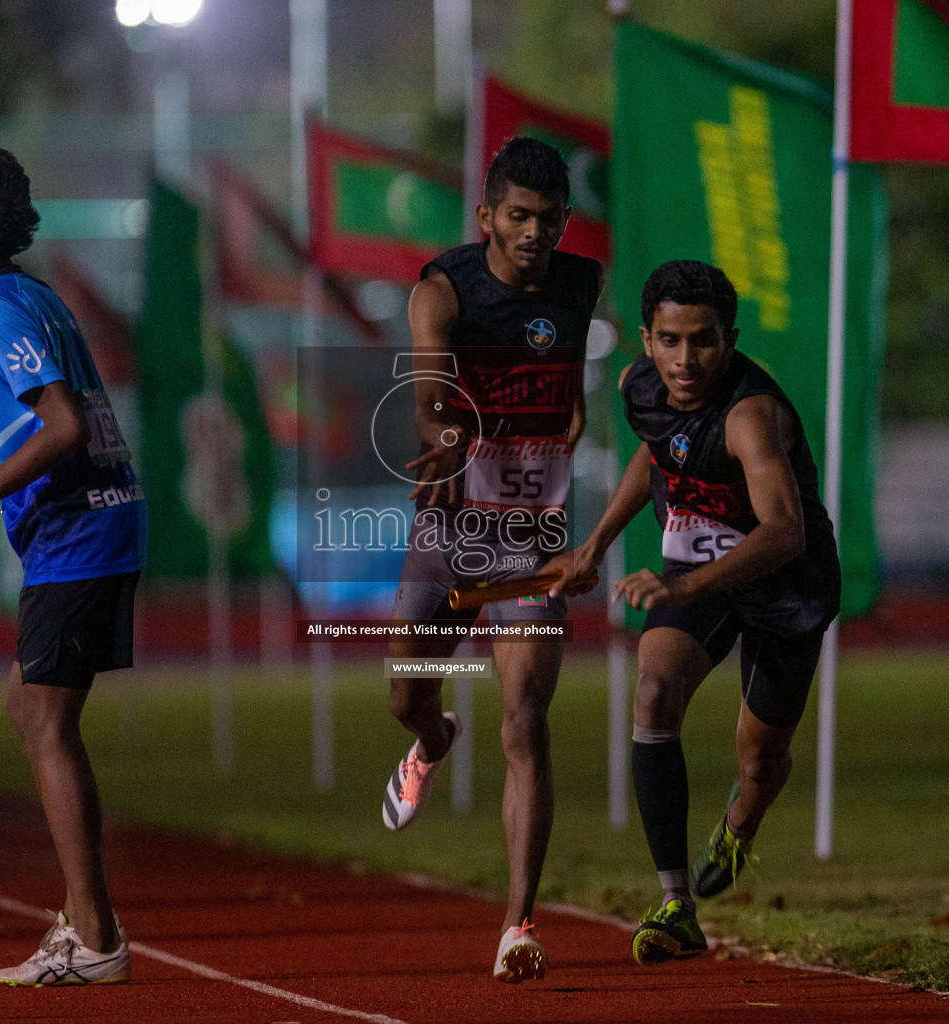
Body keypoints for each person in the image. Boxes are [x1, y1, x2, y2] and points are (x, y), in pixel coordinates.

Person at [543, 260, 841, 965]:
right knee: (653, 689)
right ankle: (677, 905)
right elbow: (656, 456)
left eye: (703, 341)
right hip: (696, 573)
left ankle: (741, 822)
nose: (686, 360)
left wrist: (686, 585)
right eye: (670, 340)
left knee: (760, 760)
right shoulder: (638, 386)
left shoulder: (750, 416)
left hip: (785, 587)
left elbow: (784, 531)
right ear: (645, 339)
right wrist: (593, 546)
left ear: (729, 339)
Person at [0, 138, 147, 986]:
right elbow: (48, 427)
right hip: (95, 522)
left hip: (80, 534)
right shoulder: (34, 296)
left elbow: (64, 426)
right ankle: (88, 924)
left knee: (43, 721)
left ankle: (95, 937)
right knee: (31, 707)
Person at [380, 137, 602, 982]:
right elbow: (429, 393)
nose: (534, 232)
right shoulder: (442, 289)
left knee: (524, 724)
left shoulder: (582, 285)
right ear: (487, 218)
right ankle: (433, 740)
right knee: (406, 697)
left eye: (549, 219)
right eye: (518, 216)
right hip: (447, 530)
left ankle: (518, 925)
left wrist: (562, 431)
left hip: (531, 542)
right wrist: (446, 439)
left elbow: (568, 379)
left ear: (564, 223)